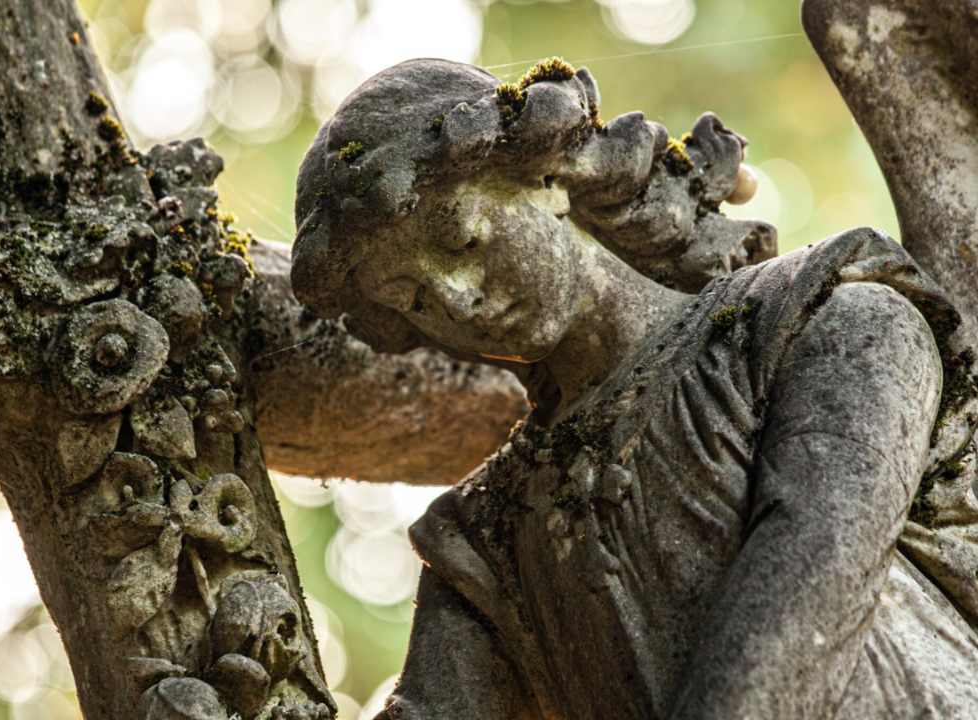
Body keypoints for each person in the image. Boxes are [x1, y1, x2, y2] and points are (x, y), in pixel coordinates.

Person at [291, 57, 978, 719]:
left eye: (463, 242)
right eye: (410, 297)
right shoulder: (486, 536)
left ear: (546, 177)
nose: (457, 301)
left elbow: (815, 577)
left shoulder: (828, 320)